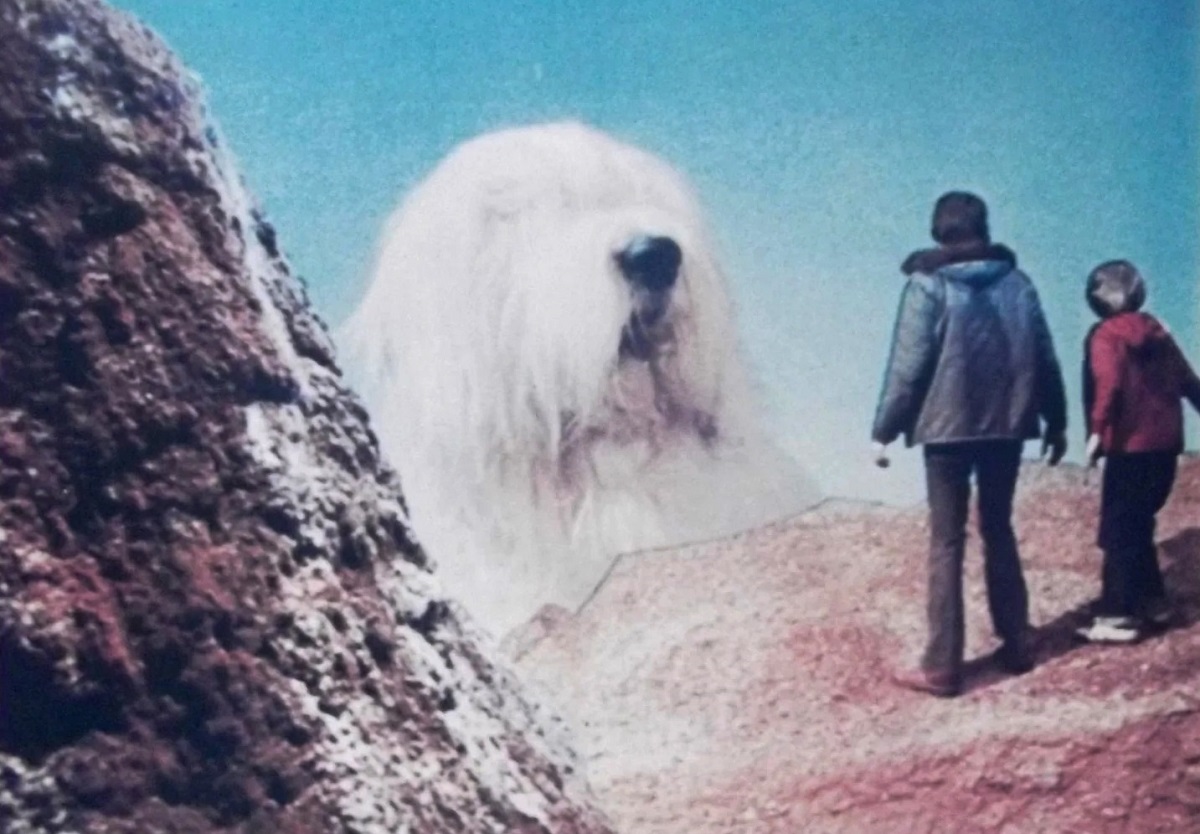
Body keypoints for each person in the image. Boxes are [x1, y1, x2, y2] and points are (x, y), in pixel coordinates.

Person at [871, 191, 1068, 697]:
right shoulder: (1019, 284)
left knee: (946, 540)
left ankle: (942, 666)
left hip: (946, 430)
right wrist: (1057, 419)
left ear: (939, 232)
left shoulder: (927, 286)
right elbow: (1043, 355)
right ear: (984, 228)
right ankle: (1018, 644)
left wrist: (885, 427)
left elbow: (909, 365)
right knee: (999, 528)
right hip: (1007, 426)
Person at [1075, 260, 1200, 643]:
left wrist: (1097, 431)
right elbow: (1187, 381)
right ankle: (1153, 602)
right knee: (1139, 522)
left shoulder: (1105, 335)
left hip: (1127, 445)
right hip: (1164, 446)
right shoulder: (1158, 332)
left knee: (1118, 529)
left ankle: (1117, 613)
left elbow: (1108, 382)